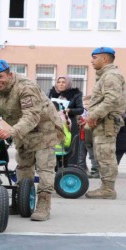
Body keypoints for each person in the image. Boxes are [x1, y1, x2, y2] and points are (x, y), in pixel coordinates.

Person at [0, 59, 64, 221]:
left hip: (44, 129)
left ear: (10, 74)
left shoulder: (25, 87)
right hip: (23, 131)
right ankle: (21, 201)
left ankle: (43, 204)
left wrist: (11, 131)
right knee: (23, 167)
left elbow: (31, 116)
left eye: (0, 77)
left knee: (45, 168)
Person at [84, 47, 126, 200]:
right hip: (103, 121)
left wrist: (92, 115)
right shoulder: (105, 76)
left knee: (106, 155)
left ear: (105, 59)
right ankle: (105, 187)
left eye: (95, 57)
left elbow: (111, 99)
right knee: (102, 155)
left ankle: (108, 190)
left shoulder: (111, 75)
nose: (92, 60)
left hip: (106, 121)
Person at [48, 76, 84, 166]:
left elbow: (80, 109)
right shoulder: (52, 94)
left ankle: (70, 167)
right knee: (54, 145)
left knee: (70, 146)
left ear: (68, 83)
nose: (60, 84)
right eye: (59, 82)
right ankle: (53, 167)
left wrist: (69, 110)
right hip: (54, 123)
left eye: (63, 82)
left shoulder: (75, 94)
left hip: (69, 124)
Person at [78, 96, 100, 178]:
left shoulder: (94, 112)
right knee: (81, 155)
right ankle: (82, 170)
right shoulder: (81, 113)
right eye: (85, 104)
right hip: (82, 137)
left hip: (90, 137)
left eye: (88, 103)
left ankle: (95, 170)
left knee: (92, 155)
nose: (86, 105)